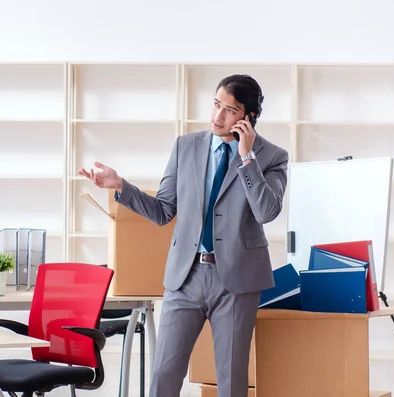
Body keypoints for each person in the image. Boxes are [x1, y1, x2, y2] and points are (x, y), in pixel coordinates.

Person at [78, 74, 289, 397]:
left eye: (230, 110)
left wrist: (246, 157)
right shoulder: (186, 146)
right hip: (185, 276)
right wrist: (120, 185)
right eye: (216, 104)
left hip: (237, 280)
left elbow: (266, 212)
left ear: (248, 118)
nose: (218, 116)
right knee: (164, 374)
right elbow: (163, 211)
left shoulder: (272, 157)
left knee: (232, 380)